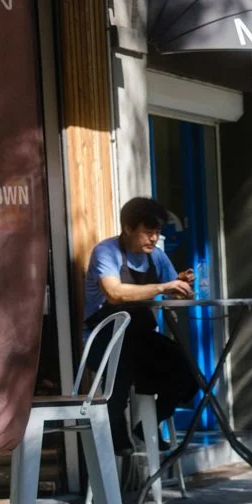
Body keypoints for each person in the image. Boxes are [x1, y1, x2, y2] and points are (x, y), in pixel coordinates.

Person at [83, 196, 199, 463]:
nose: (154, 238)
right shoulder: (106, 251)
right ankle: (117, 437)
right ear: (128, 228)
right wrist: (162, 287)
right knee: (120, 374)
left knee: (189, 373)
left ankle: (147, 424)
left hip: (140, 338)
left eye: (157, 232)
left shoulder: (156, 257)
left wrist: (182, 285)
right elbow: (114, 293)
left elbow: (175, 292)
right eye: (148, 232)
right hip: (104, 337)